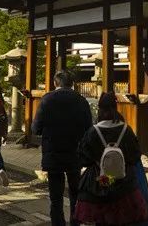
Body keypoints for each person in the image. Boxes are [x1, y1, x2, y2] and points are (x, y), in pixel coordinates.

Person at [74, 92, 148, 225]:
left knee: (101, 220)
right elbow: (135, 155)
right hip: (124, 180)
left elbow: (83, 158)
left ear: (100, 109)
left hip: (99, 180)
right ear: (116, 107)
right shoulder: (126, 130)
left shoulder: (93, 132)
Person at [32, 71, 92, 226]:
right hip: (75, 153)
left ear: (55, 83)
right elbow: (89, 129)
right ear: (72, 83)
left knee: (56, 197)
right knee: (75, 194)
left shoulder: (47, 100)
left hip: (53, 154)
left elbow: (36, 128)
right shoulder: (81, 100)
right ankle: (75, 222)